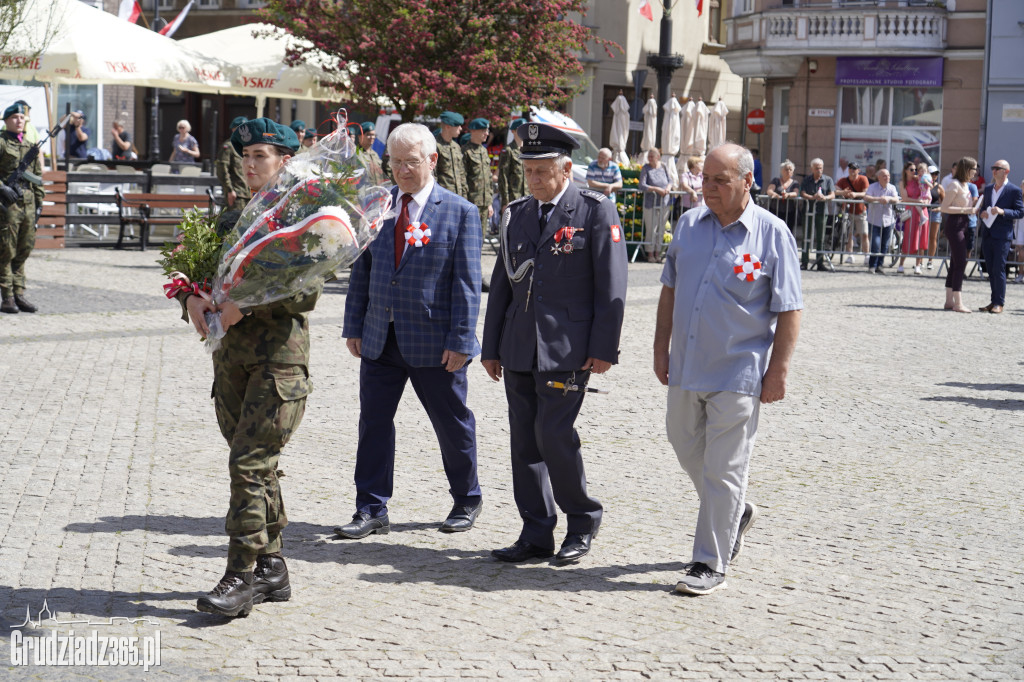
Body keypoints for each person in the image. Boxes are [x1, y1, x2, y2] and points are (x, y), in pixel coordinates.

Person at [653, 143, 802, 595]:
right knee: (682, 442)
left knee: (724, 467)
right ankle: (736, 511)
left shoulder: (772, 234)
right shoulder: (688, 225)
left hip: (740, 368)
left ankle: (709, 561)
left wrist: (778, 371)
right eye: (705, 180)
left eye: (720, 181)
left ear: (747, 181)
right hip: (687, 364)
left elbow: (790, 309)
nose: (709, 189)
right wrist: (660, 348)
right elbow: (669, 290)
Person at [179, 119, 309, 617]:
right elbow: (196, 272)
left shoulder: (301, 220)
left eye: (261, 155)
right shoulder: (230, 219)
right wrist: (191, 298)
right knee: (258, 468)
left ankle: (241, 576)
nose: (251, 164)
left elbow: (307, 290)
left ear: (284, 161)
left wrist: (245, 305)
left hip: (279, 362)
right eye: (246, 155)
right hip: (230, 362)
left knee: (247, 465)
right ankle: (273, 567)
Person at [481, 122, 627, 565]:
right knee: (524, 440)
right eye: (528, 172)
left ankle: (581, 520)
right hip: (520, 345)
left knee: (554, 435)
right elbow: (503, 284)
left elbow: (612, 283)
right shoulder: (519, 213)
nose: (534, 180)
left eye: (542, 172)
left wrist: (605, 348)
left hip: (568, 348)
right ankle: (536, 531)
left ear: (566, 170)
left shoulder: (594, 210)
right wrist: (490, 347)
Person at [337, 123, 484, 540]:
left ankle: (466, 498)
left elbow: (468, 284)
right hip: (380, 336)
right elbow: (361, 271)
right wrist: (354, 325)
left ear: (432, 161)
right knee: (374, 423)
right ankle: (370, 506)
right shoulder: (378, 206)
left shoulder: (459, 212)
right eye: (395, 162)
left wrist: (460, 340)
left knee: (452, 423)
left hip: (435, 343)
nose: (402, 170)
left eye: (411, 162)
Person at [0, 102, 44, 314]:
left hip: (28, 202)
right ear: (6, 120)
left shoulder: (29, 146)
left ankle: (19, 293)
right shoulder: (1, 142)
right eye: (15, 117)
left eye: (22, 117)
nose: (19, 121)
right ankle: (7, 297)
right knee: (6, 249)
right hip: (7, 204)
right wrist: (2, 188)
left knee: (24, 248)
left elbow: (37, 179)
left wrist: (38, 205)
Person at [977, 160, 1024, 313]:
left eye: (997, 168)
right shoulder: (989, 188)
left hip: (1003, 235)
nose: (994, 171)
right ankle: (993, 301)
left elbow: (1020, 211)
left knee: (999, 268)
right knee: (990, 269)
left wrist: (1003, 211)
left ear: (1006, 171)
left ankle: (999, 302)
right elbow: (982, 208)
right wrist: (981, 213)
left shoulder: (1014, 190)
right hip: (988, 233)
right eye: (993, 168)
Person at [939, 157, 978, 313]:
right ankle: (958, 302)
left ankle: (949, 301)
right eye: (974, 168)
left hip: (963, 224)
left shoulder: (965, 185)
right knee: (960, 263)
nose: (975, 171)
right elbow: (944, 207)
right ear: (967, 169)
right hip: (955, 225)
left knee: (955, 263)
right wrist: (966, 210)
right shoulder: (954, 185)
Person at [799, 158, 835, 270]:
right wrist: (811, 197)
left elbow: (832, 194)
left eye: (820, 168)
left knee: (821, 237)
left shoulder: (828, 180)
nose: (819, 170)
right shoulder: (807, 179)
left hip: (821, 211)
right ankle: (804, 261)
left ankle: (820, 262)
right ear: (812, 169)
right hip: (808, 211)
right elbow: (802, 192)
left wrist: (825, 197)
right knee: (806, 236)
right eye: (817, 168)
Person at [863, 168, 901, 274]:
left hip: (888, 220)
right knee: (875, 243)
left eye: (888, 175)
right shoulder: (873, 187)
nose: (887, 177)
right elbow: (866, 197)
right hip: (875, 220)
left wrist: (888, 199)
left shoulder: (892, 187)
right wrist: (878, 199)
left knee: (885, 245)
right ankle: (872, 265)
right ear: (879, 177)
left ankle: (879, 265)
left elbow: (896, 199)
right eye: (884, 175)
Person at [640, 147, 672, 263]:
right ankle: (650, 253)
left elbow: (670, 180)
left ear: (658, 157)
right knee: (651, 229)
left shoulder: (663, 166)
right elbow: (642, 185)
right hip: (650, 203)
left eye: (652, 156)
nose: (649, 158)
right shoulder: (646, 168)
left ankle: (658, 253)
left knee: (661, 228)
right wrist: (656, 189)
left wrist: (668, 188)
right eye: (648, 156)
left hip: (664, 202)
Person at [898, 162, 930, 275]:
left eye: (915, 170)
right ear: (906, 170)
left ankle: (918, 265)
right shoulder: (903, 182)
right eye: (911, 170)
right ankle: (901, 264)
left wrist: (927, 200)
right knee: (908, 238)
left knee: (921, 239)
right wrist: (917, 201)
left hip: (922, 211)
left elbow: (928, 189)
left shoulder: (920, 179)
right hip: (911, 212)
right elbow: (905, 198)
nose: (914, 172)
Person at [463, 118, 494, 232]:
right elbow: (463, 180)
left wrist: (489, 204)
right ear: (473, 131)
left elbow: (488, 179)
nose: (486, 133)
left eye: (487, 130)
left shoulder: (484, 151)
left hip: (485, 204)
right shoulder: (465, 151)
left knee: (481, 238)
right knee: (470, 236)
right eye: (483, 130)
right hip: (471, 203)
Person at [835, 162, 869, 264]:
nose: (852, 170)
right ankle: (850, 255)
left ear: (858, 170)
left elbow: (866, 192)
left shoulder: (863, 179)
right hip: (847, 211)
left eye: (854, 168)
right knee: (848, 234)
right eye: (850, 168)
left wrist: (855, 194)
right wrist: (843, 192)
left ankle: (867, 255)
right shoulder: (843, 180)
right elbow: (835, 189)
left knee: (864, 234)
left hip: (860, 211)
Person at [214, 116, 249, 209]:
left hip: (249, 193)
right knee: (235, 221)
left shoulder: (248, 147)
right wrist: (229, 190)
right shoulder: (228, 147)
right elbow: (222, 169)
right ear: (234, 130)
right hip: (237, 194)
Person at [434, 110, 468, 199]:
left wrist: (464, 196)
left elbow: (461, 173)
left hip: (458, 196)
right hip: (442, 197)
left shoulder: (456, 147)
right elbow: (432, 175)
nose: (460, 128)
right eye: (457, 126)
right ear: (448, 127)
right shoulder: (435, 146)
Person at [497, 118, 527, 211]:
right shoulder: (508, 150)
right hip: (513, 198)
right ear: (513, 131)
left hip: (527, 197)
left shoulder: (528, 151)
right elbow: (503, 177)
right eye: (521, 130)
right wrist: (505, 201)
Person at [766, 159, 799, 231]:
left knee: (788, 230)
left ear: (793, 172)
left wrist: (788, 195)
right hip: (775, 210)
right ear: (782, 171)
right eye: (786, 169)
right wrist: (774, 194)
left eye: (790, 169)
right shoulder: (776, 180)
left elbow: (795, 193)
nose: (788, 171)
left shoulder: (795, 183)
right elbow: (769, 190)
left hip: (789, 211)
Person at [356, 122, 386, 186]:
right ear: (360, 136)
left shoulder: (375, 154)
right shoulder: (355, 154)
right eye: (368, 134)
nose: (372, 137)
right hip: (363, 193)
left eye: (373, 135)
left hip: (377, 192)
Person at [926, 165, 944, 270]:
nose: (934, 176)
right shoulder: (923, 185)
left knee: (933, 237)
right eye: (932, 173)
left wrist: (939, 209)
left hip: (935, 212)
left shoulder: (939, 187)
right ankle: (920, 260)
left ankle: (930, 260)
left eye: (936, 173)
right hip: (923, 211)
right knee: (922, 237)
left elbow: (945, 202)